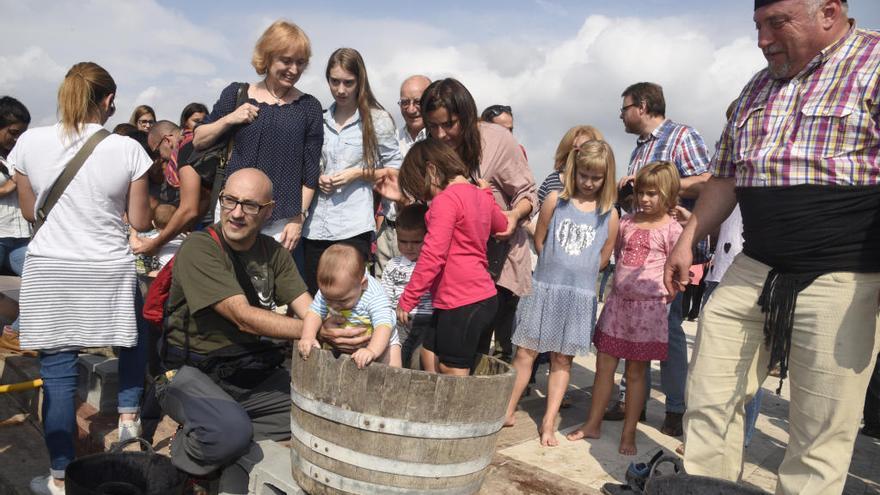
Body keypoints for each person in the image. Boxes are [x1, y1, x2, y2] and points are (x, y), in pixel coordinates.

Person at [665, 1, 880, 493]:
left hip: (845, 276)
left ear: (828, 11)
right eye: (758, 26)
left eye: (776, 23)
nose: (762, 40)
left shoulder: (875, 62)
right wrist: (685, 241)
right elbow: (724, 179)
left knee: (820, 427)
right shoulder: (756, 87)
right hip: (753, 267)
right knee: (709, 396)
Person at [9, 62, 152, 495]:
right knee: (133, 333)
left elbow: (31, 212)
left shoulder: (29, 143)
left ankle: (58, 479)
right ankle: (129, 417)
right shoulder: (129, 150)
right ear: (108, 100)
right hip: (107, 267)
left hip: (51, 268)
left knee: (57, 375)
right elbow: (140, 219)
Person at [156, 168, 313, 481]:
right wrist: (314, 329)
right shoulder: (200, 247)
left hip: (249, 375)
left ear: (268, 212)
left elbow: (309, 310)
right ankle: (175, 451)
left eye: (250, 205)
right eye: (230, 201)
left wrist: (342, 328)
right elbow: (242, 317)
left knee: (314, 416)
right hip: (192, 373)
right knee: (230, 434)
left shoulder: (274, 253)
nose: (237, 213)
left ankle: (221, 432)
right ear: (221, 201)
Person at [611, 81, 711, 436]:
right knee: (631, 326)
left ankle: (674, 408)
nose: (621, 116)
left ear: (642, 106)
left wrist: (662, 184)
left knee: (666, 329)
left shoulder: (683, 136)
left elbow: (709, 182)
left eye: (624, 108)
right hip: (639, 254)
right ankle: (630, 403)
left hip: (672, 252)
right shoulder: (639, 149)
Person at [504, 140, 618, 446]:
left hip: (578, 296)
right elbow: (540, 240)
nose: (589, 182)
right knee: (525, 352)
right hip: (544, 288)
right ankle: (507, 410)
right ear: (574, 170)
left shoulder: (610, 214)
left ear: (606, 178)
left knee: (562, 361)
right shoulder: (555, 200)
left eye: (596, 177)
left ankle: (548, 423)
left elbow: (605, 257)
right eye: (584, 175)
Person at [569, 161, 682, 456]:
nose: (644, 199)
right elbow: (617, 254)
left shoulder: (672, 229)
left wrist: (667, 293)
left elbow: (678, 266)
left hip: (649, 312)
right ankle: (593, 422)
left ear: (668, 194)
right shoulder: (627, 222)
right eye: (641, 192)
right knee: (603, 366)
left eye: (653, 193)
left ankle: (629, 432)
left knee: (635, 372)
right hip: (618, 305)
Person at [419, 78, 536, 364]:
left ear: (467, 116)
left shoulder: (496, 140)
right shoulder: (431, 149)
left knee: (470, 354)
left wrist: (513, 215)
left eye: (449, 124)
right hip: (452, 272)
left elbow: (528, 194)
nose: (441, 133)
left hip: (495, 267)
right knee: (439, 353)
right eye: (433, 126)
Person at [195, 19, 323, 253]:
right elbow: (199, 139)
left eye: (300, 63)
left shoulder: (309, 107)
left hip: (281, 220)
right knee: (225, 281)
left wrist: (298, 218)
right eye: (286, 60)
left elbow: (311, 173)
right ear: (267, 56)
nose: (294, 70)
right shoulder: (237, 93)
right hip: (233, 212)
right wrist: (230, 118)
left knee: (268, 287)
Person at [395, 138, 508, 376]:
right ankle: (437, 407)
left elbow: (433, 254)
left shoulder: (445, 200)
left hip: (463, 299)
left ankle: (457, 413)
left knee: (452, 366)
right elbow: (501, 224)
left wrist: (409, 297)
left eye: (421, 190)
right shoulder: (478, 196)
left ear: (431, 171)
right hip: (477, 296)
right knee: (429, 349)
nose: (424, 198)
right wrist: (487, 194)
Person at [302, 47, 401, 293]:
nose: (341, 90)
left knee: (349, 299)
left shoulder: (377, 120)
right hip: (315, 226)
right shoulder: (319, 119)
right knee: (317, 297)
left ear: (360, 81)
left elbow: (396, 168)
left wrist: (358, 174)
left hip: (353, 226)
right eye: (335, 82)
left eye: (348, 82)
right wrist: (317, 178)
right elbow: (307, 163)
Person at [297, 244, 401, 368]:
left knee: (392, 367)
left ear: (363, 284)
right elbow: (314, 313)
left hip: (382, 341)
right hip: (349, 337)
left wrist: (372, 351)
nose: (334, 305)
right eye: (328, 299)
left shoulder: (375, 295)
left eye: (342, 301)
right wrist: (308, 336)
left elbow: (383, 327)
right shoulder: (329, 291)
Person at [374, 75, 431, 277]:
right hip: (389, 232)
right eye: (405, 102)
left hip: (422, 235)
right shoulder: (391, 141)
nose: (410, 108)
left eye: (417, 102)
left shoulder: (438, 143)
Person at [380, 203, 433, 369]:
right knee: (396, 360)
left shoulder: (432, 265)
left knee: (419, 363)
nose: (409, 247)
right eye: (403, 241)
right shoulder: (392, 265)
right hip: (400, 323)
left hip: (428, 321)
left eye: (417, 242)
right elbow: (385, 298)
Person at [0, 96, 32, 277]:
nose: (17, 139)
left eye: (22, 133)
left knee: (38, 281)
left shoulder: (17, 156)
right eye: (13, 132)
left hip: (21, 237)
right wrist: (6, 188)